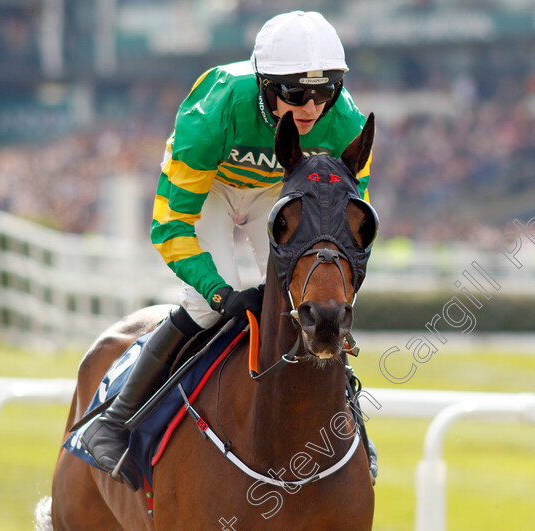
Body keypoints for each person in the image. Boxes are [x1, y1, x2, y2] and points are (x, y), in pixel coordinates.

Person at [81, 10, 373, 489]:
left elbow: (351, 229)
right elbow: (171, 226)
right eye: (297, 93)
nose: (313, 108)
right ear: (265, 84)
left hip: (273, 193)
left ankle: (349, 424)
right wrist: (220, 293)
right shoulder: (214, 109)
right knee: (204, 306)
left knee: (317, 302)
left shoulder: (347, 125)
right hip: (209, 187)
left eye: (326, 91)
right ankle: (114, 422)